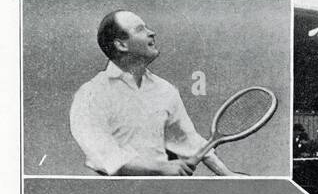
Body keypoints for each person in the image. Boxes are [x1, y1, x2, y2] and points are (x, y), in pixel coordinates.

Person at [70, 10, 234, 177]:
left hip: (163, 191)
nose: (152, 33)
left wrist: (228, 175)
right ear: (121, 45)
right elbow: (103, 155)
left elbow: (188, 140)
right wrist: (159, 167)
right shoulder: (91, 94)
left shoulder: (165, 90)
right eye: (140, 29)